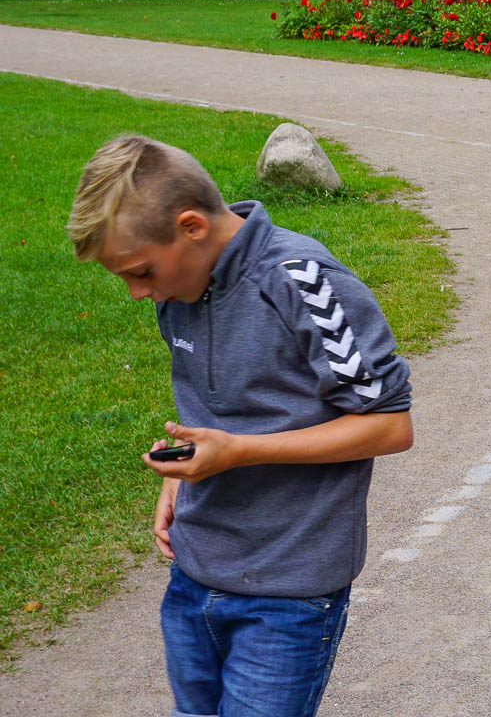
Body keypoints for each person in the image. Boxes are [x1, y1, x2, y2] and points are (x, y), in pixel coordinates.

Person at [67, 135, 414, 717]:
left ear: (191, 227)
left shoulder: (302, 281)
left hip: (288, 591)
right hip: (194, 572)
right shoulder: (180, 287)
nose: (137, 293)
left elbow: (389, 424)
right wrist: (178, 474)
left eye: (142, 271)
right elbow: (217, 406)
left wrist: (239, 451)